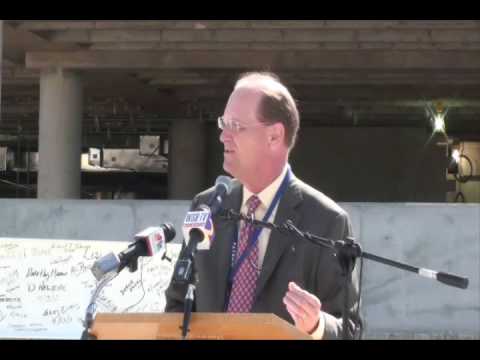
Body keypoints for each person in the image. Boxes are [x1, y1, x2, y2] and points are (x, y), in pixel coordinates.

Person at [165, 72, 362, 340]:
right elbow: (177, 302)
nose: (223, 136)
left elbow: (348, 330)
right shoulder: (207, 205)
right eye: (223, 123)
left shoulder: (327, 221)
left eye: (235, 125)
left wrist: (316, 326)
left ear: (274, 136)